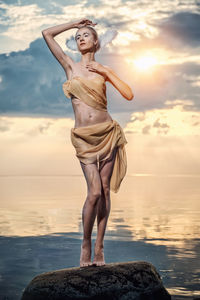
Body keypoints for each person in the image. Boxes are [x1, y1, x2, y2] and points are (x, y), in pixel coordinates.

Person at [42, 18, 134, 268]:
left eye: (85, 35)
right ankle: (85, 243)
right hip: (84, 138)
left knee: (104, 190)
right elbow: (47, 33)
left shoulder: (102, 69)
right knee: (93, 192)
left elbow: (128, 94)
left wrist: (107, 72)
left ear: (96, 42)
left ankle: (100, 247)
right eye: (77, 36)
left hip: (107, 133)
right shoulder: (70, 66)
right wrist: (73, 24)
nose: (80, 38)